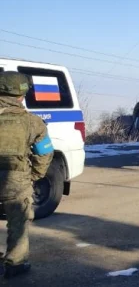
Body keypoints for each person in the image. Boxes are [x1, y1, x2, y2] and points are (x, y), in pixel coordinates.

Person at [0, 71, 54, 279]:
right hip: (16, 181)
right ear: (21, 95)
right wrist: (34, 175)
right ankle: (15, 263)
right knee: (18, 223)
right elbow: (45, 152)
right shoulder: (32, 122)